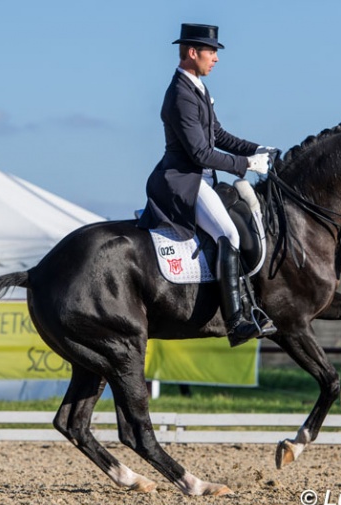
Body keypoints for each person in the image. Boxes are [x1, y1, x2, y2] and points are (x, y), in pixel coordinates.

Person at [137, 23, 277, 347]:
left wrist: (257, 150)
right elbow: (200, 152)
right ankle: (237, 321)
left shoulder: (198, 87)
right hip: (183, 180)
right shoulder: (180, 95)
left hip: (202, 178)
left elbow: (221, 136)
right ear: (192, 52)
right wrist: (245, 166)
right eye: (211, 52)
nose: (215, 58)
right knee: (227, 233)